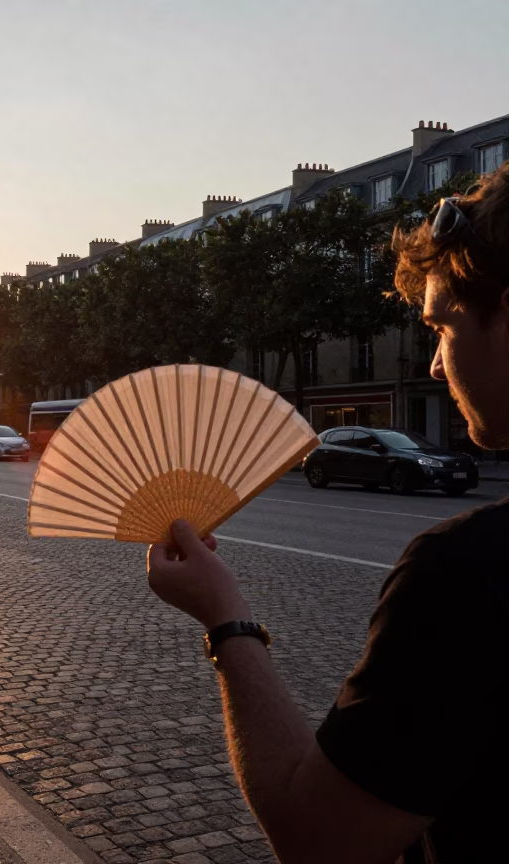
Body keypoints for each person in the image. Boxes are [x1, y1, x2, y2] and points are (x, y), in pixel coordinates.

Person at [146, 166, 509, 863]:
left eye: (442, 327)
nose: (435, 365)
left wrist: (227, 620)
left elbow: (320, 840)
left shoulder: (469, 574)